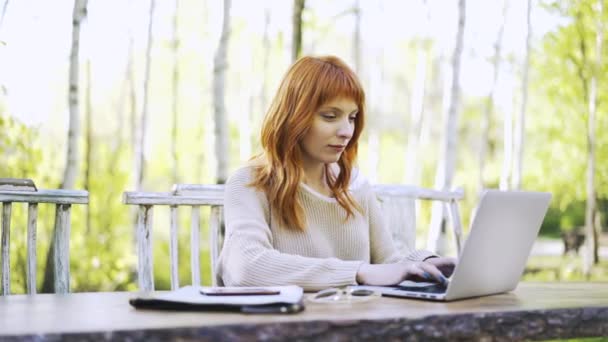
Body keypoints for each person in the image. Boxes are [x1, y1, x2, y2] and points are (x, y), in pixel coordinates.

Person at [217, 55, 456, 291]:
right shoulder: (250, 182)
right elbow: (245, 268)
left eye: (352, 118)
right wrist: (357, 272)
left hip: (354, 323)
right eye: (330, 116)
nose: (347, 131)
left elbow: (387, 264)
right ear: (293, 116)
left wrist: (424, 264)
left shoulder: (355, 184)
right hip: (282, 326)